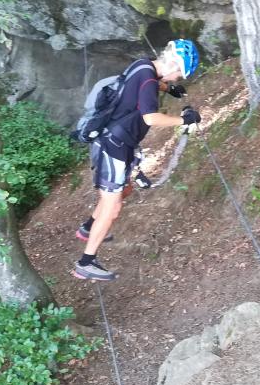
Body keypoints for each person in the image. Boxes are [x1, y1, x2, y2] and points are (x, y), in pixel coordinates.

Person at [74, 39, 202, 281]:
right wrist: (184, 120)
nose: (176, 79)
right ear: (174, 64)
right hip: (114, 146)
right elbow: (151, 118)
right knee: (112, 208)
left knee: (125, 189)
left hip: (116, 141)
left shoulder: (144, 66)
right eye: (178, 75)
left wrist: (167, 90)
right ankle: (86, 262)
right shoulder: (149, 78)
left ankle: (89, 227)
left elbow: (141, 83)